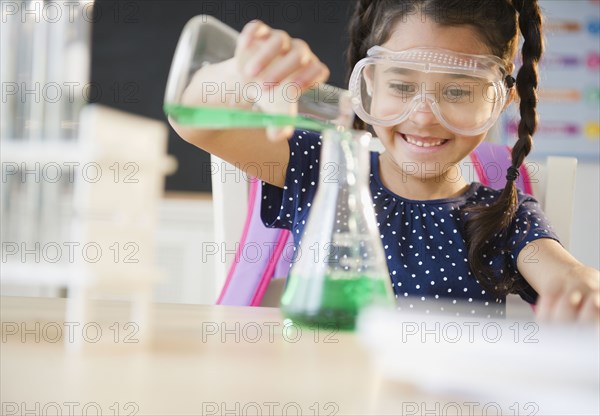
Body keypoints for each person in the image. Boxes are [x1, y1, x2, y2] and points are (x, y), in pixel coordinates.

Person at [170, 0, 599, 321]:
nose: (424, 116)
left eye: (457, 91)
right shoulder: (325, 167)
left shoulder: (503, 215)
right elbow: (194, 121)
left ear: (499, 99)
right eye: (403, 85)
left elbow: (567, 275)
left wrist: (580, 288)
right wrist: (241, 75)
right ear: (368, 84)